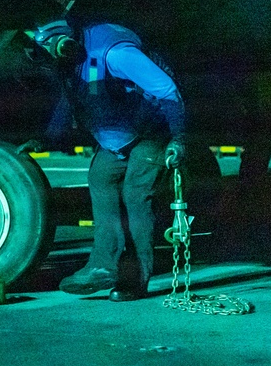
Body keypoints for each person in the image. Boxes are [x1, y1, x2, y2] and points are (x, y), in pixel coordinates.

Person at [25, 19, 187, 302]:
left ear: (64, 45)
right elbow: (70, 100)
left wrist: (178, 138)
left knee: (136, 196)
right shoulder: (71, 64)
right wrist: (47, 138)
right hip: (117, 140)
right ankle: (103, 266)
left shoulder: (115, 54)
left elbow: (166, 90)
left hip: (151, 132)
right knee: (100, 177)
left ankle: (135, 280)